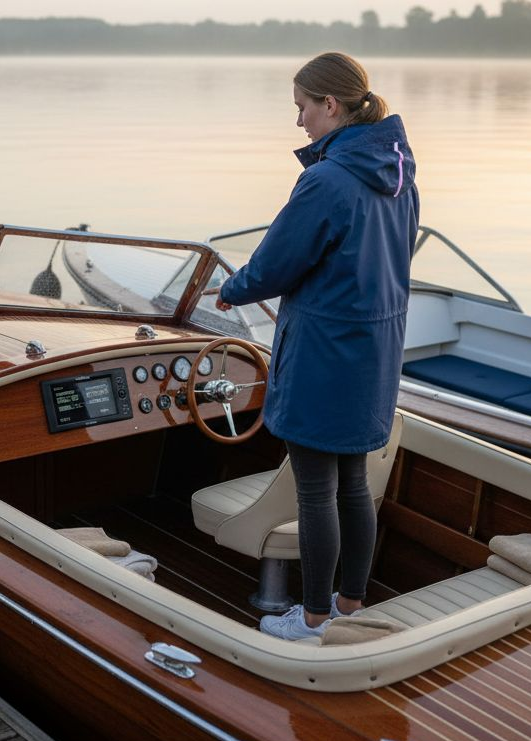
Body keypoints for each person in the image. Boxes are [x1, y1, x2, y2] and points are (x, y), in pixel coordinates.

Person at [216, 52, 419, 641]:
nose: (299, 121)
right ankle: (349, 608)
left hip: (324, 351)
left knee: (315, 493)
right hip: (374, 351)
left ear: (330, 105)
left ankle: (309, 620)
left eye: (303, 108)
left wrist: (232, 290)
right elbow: (398, 254)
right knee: (353, 484)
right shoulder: (399, 171)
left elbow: (277, 262)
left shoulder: (326, 180)